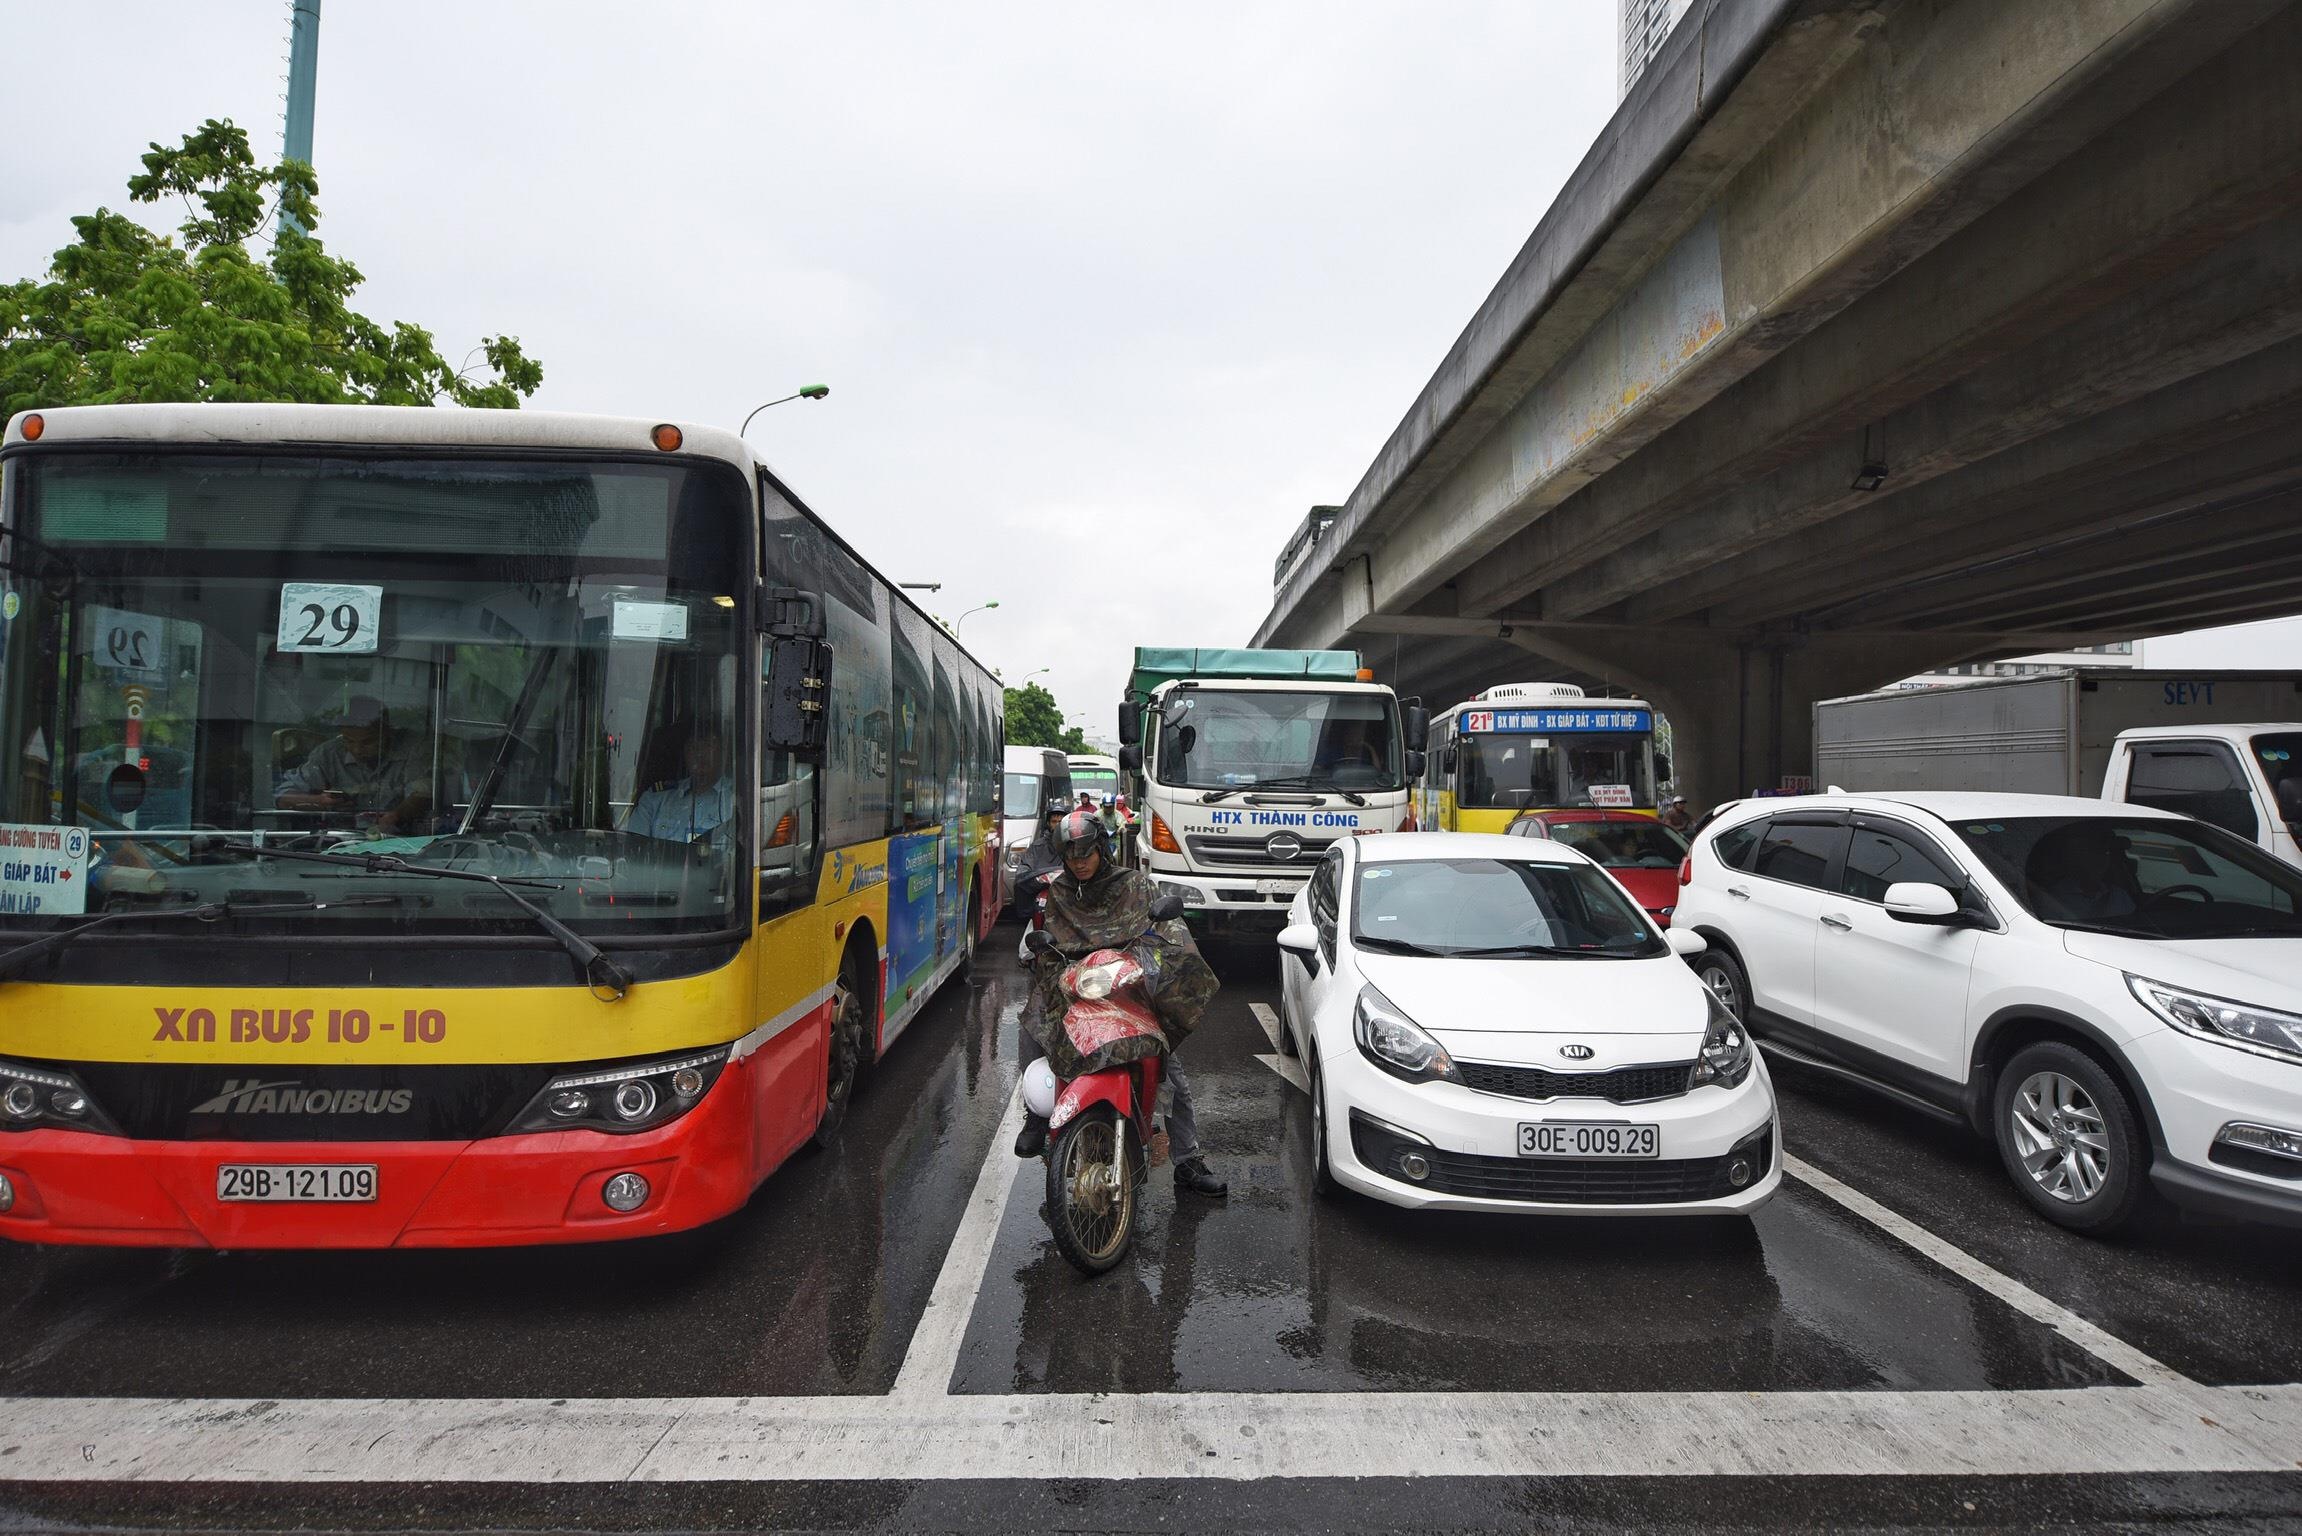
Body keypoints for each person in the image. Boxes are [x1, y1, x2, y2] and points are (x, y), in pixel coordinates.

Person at [1015, 808, 1227, 1197]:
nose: (1079, 863)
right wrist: (1049, 966)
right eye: (1072, 856)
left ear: (1101, 849)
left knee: (1170, 1070)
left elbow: (1165, 932)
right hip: (1079, 989)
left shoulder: (1134, 885)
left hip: (1128, 991)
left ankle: (1188, 1159)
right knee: (1033, 1019)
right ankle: (1035, 1116)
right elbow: (1049, 945)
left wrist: (1158, 964)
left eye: (1086, 854)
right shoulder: (1060, 893)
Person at [276, 696, 432, 835]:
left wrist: (396, 816)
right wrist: (321, 801)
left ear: (387, 731)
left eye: (368, 742)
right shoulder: (328, 754)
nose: (357, 750)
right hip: (339, 842)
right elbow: (283, 798)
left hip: (404, 840)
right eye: (349, 741)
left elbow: (423, 794)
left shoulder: (414, 749)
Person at [627, 723, 735, 846]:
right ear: (685, 752)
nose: (700, 754)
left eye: (708, 746)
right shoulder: (656, 799)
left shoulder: (735, 800)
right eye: (694, 747)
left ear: (723, 752)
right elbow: (633, 850)